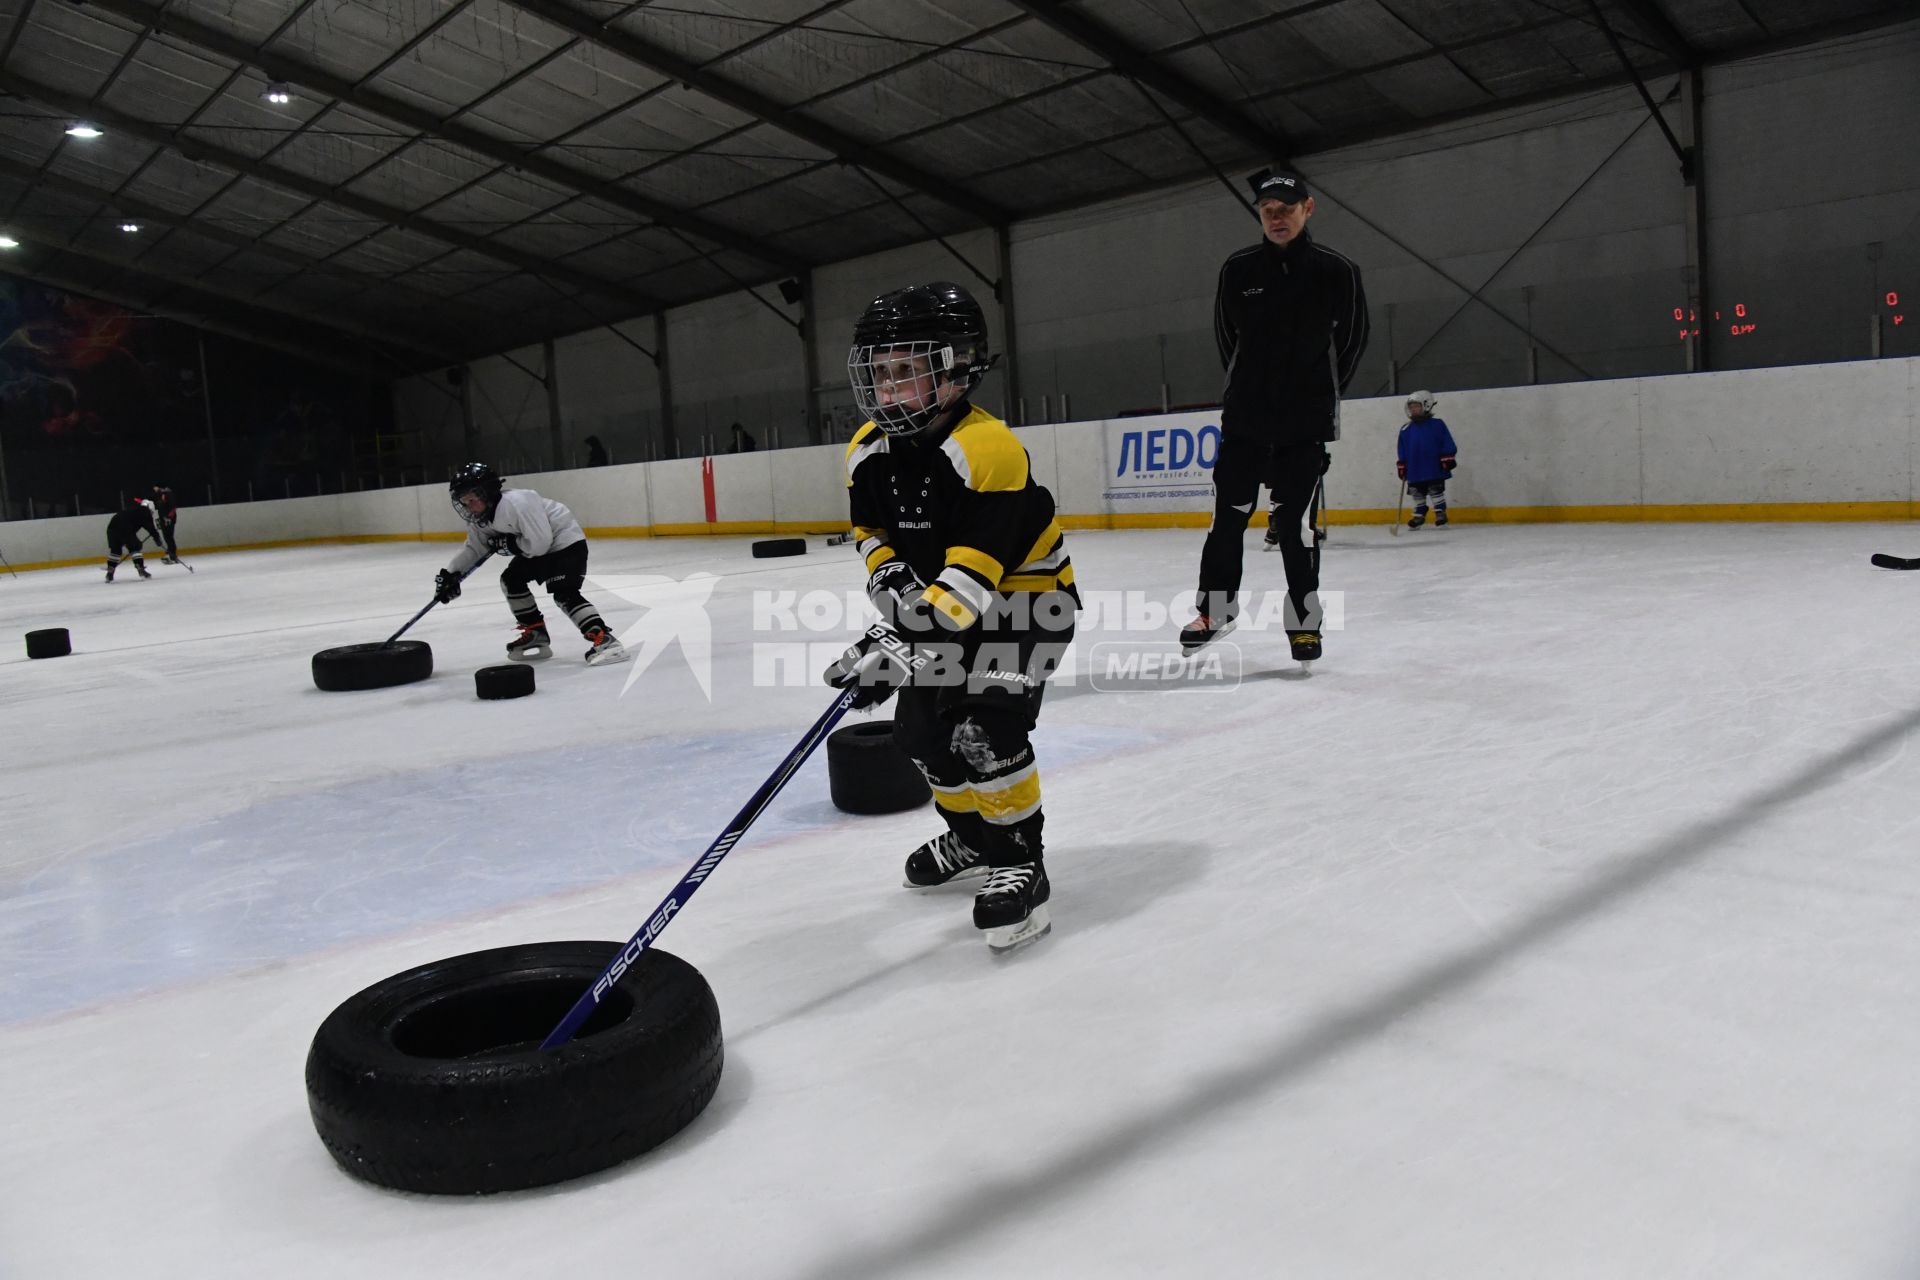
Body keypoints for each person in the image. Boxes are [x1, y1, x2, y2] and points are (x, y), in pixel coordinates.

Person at [825, 280, 1078, 953]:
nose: (886, 389)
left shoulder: (988, 450)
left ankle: (1021, 861)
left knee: (983, 733)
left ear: (957, 368)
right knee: (921, 736)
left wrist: (894, 643)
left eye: (905, 370)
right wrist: (892, 584)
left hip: (1027, 607)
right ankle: (972, 839)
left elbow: (972, 584)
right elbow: (870, 534)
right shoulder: (866, 451)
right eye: (880, 372)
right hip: (946, 609)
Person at [1182, 168, 1369, 664]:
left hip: (1303, 425)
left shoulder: (1337, 270)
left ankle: (1304, 624)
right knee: (1228, 518)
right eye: (1268, 211)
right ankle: (1214, 611)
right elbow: (1228, 340)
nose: (1276, 218)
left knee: (1295, 528)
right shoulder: (1239, 270)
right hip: (1245, 421)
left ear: (1308, 209)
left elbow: (1352, 342)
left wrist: (1315, 395)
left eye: (1286, 209)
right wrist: (1249, 391)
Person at [434, 463, 629, 666]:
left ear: (487, 492)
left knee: (564, 592)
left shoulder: (518, 503)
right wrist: (450, 575)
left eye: (472, 500)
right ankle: (536, 633)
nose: (469, 507)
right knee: (511, 580)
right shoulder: (481, 519)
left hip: (564, 542)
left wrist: (510, 544)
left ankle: (605, 640)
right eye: (464, 502)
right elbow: (475, 549)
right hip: (538, 546)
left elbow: (540, 544)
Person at [1396, 391, 1458, 528]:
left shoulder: (1437, 425)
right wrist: (1402, 465)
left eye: (1416, 406)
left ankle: (1440, 512)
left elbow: (1446, 441)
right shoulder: (1405, 429)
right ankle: (1420, 513)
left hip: (1433, 466)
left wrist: (1447, 456)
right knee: (1417, 492)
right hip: (1414, 467)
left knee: (1435, 490)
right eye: (1411, 407)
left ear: (1427, 405)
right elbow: (1402, 449)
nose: (1413, 409)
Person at [103, 494, 160, 582]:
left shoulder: (134, 509)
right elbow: (150, 527)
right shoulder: (145, 512)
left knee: (116, 550)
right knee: (135, 548)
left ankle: (110, 572)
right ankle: (140, 569)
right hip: (125, 529)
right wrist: (157, 538)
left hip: (112, 528)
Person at [150, 484, 180, 561]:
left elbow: (173, 507)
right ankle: (170, 552)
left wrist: (169, 518)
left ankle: (172, 554)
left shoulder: (169, 495)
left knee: (169, 537)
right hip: (164, 519)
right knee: (167, 537)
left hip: (169, 520)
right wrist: (160, 519)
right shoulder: (161, 495)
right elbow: (161, 508)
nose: (155, 489)